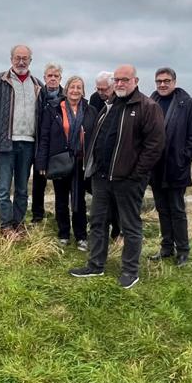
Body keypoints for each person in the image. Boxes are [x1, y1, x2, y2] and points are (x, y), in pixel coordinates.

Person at [69, 65, 164, 288]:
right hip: (102, 177)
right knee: (98, 222)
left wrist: (136, 174)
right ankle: (95, 265)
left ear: (135, 80)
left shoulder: (147, 107)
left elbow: (155, 146)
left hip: (128, 180)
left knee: (130, 226)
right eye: (117, 80)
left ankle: (130, 271)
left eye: (125, 79)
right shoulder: (110, 105)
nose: (120, 83)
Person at [0, 44, 42, 239]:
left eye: (25, 58)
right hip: (5, 143)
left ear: (31, 60)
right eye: (18, 58)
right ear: (11, 59)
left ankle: (18, 223)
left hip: (29, 143)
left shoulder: (36, 84)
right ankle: (5, 225)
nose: (21, 61)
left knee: (23, 189)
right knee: (3, 187)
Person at [148, 67, 192, 266]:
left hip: (176, 166)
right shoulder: (149, 103)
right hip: (155, 167)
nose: (162, 84)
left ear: (174, 81)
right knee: (162, 209)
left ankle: (183, 250)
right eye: (159, 81)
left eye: (166, 80)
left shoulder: (188, 104)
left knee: (177, 210)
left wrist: (184, 157)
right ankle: (166, 248)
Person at [36, 75, 97, 251]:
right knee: (61, 199)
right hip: (60, 160)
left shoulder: (90, 110)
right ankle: (63, 233)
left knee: (79, 200)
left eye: (79, 88)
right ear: (66, 89)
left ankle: (81, 236)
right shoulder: (53, 108)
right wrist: (41, 163)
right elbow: (44, 137)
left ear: (83, 91)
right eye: (72, 87)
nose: (75, 91)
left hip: (80, 161)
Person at [88, 70, 121, 242]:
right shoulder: (95, 99)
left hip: (115, 159)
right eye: (98, 89)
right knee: (100, 199)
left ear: (113, 86)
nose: (101, 93)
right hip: (98, 158)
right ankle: (101, 233)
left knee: (116, 199)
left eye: (104, 89)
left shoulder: (121, 100)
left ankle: (117, 231)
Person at [31, 63, 64, 223]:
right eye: (49, 76)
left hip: (58, 147)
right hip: (39, 144)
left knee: (59, 184)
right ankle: (37, 215)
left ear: (60, 78)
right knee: (38, 182)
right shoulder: (37, 95)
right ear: (44, 78)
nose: (52, 79)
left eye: (55, 76)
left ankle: (60, 216)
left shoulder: (65, 98)